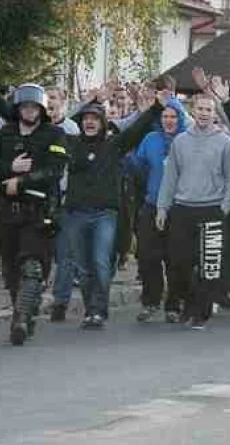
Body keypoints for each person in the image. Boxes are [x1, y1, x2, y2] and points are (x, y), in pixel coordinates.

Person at [61, 96, 165, 328]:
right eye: (86, 118)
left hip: (103, 214)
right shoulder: (71, 143)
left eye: (94, 119)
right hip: (75, 214)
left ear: (102, 123)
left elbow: (136, 131)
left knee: (100, 262)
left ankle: (98, 311)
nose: (89, 122)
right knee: (83, 266)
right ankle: (91, 309)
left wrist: (156, 107)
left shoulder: (113, 145)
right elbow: (57, 122)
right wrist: (85, 102)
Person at [0, 84, 69, 345]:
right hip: (6, 212)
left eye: (34, 107)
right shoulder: (6, 133)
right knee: (11, 271)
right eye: (25, 107)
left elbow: (55, 170)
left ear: (41, 109)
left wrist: (23, 181)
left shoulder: (54, 134)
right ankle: (25, 314)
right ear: (18, 109)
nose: (29, 111)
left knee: (32, 266)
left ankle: (20, 318)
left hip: (38, 211)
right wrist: (10, 167)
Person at [155, 94, 230, 330]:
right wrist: (162, 207)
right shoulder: (180, 141)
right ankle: (189, 303)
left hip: (212, 209)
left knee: (209, 268)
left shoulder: (225, 142)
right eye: (200, 109)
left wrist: (225, 208)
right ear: (192, 111)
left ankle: (200, 313)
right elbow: (170, 177)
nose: (204, 113)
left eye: (208, 109)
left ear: (214, 113)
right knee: (179, 263)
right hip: (183, 209)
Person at [124, 96, 188, 323]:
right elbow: (139, 166)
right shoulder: (151, 139)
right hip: (152, 203)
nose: (169, 121)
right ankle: (150, 301)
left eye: (173, 117)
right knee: (148, 255)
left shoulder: (187, 140)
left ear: (180, 118)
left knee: (176, 258)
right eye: (165, 117)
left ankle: (174, 304)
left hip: (179, 206)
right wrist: (128, 158)